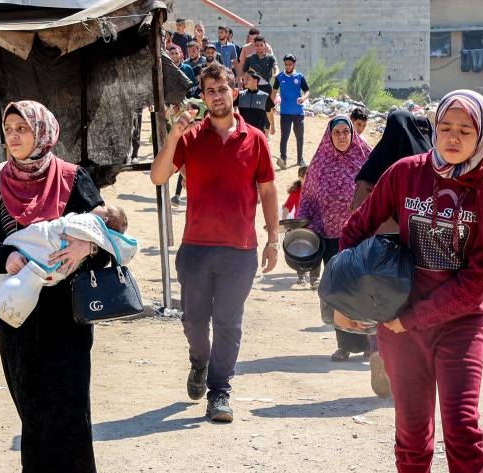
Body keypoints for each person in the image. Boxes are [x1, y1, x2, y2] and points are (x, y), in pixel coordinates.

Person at [339, 89, 483, 473]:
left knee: (463, 429)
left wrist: (411, 317)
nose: (454, 138)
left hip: (459, 324)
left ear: (482, 133)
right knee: (413, 434)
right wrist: (351, 292)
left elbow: (482, 276)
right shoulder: (404, 174)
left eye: (465, 130)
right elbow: (356, 229)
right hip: (400, 327)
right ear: (434, 129)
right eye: (446, 128)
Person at [0, 100, 110, 473]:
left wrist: (85, 246)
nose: (13, 136)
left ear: (42, 133)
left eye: (22, 128)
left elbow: (107, 236)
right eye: (8, 128)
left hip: (66, 308)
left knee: (68, 395)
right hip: (18, 309)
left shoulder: (72, 179)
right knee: (29, 397)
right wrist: (5, 257)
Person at [150, 62, 279, 423]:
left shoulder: (255, 139)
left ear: (233, 91)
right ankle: (199, 362)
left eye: (222, 89)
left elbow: (268, 190)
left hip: (240, 249)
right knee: (193, 321)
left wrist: (271, 237)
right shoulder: (190, 137)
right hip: (196, 248)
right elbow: (158, 177)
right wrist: (173, 135)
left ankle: (220, 391)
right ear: (203, 97)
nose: (217, 96)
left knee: (228, 323)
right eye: (210, 91)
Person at [350, 108, 433, 399]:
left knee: (381, 305)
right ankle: (403, 371)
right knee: (409, 308)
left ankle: (378, 352)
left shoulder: (377, 161)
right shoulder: (426, 160)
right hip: (415, 248)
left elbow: (356, 208)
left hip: (378, 247)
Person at [298, 115, 372, 359]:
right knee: (340, 290)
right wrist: (301, 223)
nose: (342, 136)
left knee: (364, 287)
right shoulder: (319, 163)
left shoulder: (367, 158)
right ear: (329, 136)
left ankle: (371, 342)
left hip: (361, 235)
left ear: (353, 133)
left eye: (345, 131)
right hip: (330, 236)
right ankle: (345, 344)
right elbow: (307, 198)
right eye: (337, 132)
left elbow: (382, 189)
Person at [274, 54, 309, 169]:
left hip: (298, 113)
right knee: (284, 136)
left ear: (294, 64)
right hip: (285, 113)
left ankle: (300, 159)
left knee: (299, 136)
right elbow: (274, 92)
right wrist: (271, 103)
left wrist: (303, 98)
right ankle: (283, 159)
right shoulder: (279, 77)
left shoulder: (299, 77)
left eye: (290, 64)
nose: (288, 66)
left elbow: (307, 91)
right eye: (286, 64)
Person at [281, 165, 310, 285]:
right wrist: (284, 223)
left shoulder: (315, 189)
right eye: (307, 176)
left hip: (314, 224)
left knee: (313, 249)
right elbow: (287, 207)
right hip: (299, 225)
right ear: (300, 177)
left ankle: (313, 275)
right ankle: (301, 275)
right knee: (299, 249)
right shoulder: (296, 192)